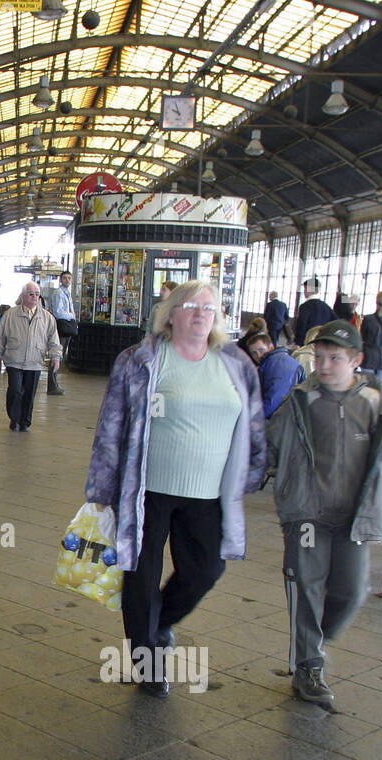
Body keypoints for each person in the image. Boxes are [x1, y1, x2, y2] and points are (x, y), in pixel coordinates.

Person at [85, 280, 266, 697]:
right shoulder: (141, 359)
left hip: (208, 493)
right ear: (170, 313)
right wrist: (101, 491)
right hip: (146, 490)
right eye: (191, 306)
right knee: (141, 577)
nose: (201, 313)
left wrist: (253, 472)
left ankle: (159, 623)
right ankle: (148, 665)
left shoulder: (235, 364)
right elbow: (110, 428)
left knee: (206, 570)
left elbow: (253, 423)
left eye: (209, 307)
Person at [266, 320, 382, 708]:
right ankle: (308, 666)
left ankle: (314, 638)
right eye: (319, 357)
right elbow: (269, 447)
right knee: (306, 588)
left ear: (357, 360)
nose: (324, 366)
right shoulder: (301, 400)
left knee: (350, 590)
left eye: (334, 358)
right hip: (307, 515)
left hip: (356, 518)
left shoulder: (376, 402)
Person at [0, 282, 61, 432]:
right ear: (23, 296)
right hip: (14, 360)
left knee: (29, 393)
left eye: (37, 294)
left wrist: (56, 357)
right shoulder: (10, 315)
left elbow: (54, 340)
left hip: (35, 361)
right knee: (15, 390)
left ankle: (25, 422)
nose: (34, 297)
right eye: (31, 294)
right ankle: (14, 419)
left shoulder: (47, 318)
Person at [246, 333, 305, 418]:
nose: (258, 355)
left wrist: (252, 418)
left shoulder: (279, 364)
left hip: (283, 420)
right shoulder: (271, 363)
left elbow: (274, 400)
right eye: (254, 353)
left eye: (261, 350)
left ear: (271, 347)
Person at [46, 270, 78, 395]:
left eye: (69, 278)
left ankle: (54, 384)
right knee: (57, 355)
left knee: (60, 356)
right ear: (60, 280)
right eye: (65, 278)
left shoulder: (67, 294)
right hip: (61, 327)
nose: (67, 280)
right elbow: (59, 312)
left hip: (66, 327)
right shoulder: (59, 293)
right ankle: (52, 386)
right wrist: (72, 315)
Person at [293, 278, 335, 346]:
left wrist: (297, 342)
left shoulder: (305, 306)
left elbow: (301, 325)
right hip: (321, 343)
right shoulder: (326, 307)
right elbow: (335, 321)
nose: (304, 292)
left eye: (305, 289)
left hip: (306, 343)